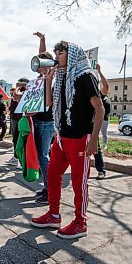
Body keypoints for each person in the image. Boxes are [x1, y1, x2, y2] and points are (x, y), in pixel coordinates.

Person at [31, 41, 104, 239]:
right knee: (53, 175)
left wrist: (94, 139)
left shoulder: (85, 76)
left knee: (79, 181)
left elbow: (100, 109)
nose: (56, 56)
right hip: (61, 137)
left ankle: (81, 223)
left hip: (80, 138)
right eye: (55, 52)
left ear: (71, 54)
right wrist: (48, 79)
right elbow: (48, 103)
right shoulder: (62, 76)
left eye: (60, 52)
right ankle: (54, 215)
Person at [31, 32, 57, 204]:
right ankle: (47, 187)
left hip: (47, 122)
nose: (38, 68)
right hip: (39, 121)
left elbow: (48, 103)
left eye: (42, 65)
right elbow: (43, 57)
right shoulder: (42, 78)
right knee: (41, 155)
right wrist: (42, 40)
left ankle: (50, 190)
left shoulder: (52, 79)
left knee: (43, 156)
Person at [93, 63, 110, 180]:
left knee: (96, 148)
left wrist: (99, 72)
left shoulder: (98, 94)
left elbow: (106, 87)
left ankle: (101, 170)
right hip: (79, 124)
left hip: (93, 125)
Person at [6, 88, 22, 166]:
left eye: (13, 93)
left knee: (20, 140)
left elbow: (15, 97)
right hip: (17, 119)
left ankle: (19, 160)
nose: (13, 95)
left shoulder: (23, 98)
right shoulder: (13, 100)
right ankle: (16, 158)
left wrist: (18, 88)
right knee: (16, 139)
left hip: (20, 120)